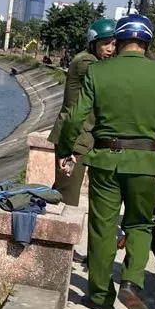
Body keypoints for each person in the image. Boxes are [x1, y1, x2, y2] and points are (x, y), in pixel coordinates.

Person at [57, 15, 155, 309]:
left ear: (119, 39)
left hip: (105, 161)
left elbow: (75, 117)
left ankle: (100, 296)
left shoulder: (98, 71)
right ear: (147, 41)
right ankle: (132, 281)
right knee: (139, 224)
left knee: (102, 227)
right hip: (146, 162)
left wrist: (67, 150)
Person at [47, 18, 117, 208]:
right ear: (93, 43)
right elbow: (108, 78)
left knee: (63, 188)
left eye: (114, 44)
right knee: (67, 197)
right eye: (105, 44)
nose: (110, 49)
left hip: (82, 135)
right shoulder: (86, 61)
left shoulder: (94, 60)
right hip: (73, 137)